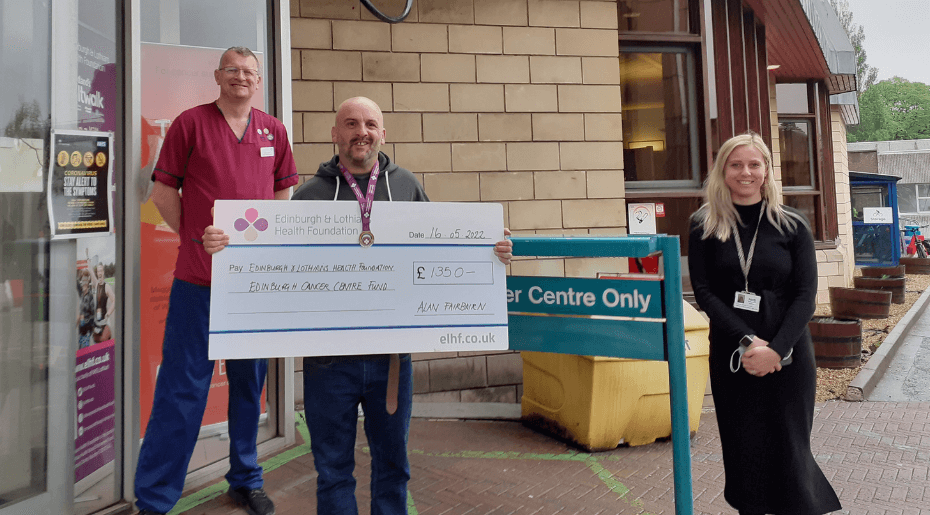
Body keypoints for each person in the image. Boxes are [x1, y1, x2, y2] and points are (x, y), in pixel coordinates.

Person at [204, 96, 512, 514]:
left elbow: (440, 251)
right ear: (335, 135)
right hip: (329, 365)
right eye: (350, 124)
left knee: (393, 466)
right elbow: (275, 264)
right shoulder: (310, 196)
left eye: (370, 124)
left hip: (390, 363)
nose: (361, 132)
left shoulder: (406, 186)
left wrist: (488, 250)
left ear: (383, 133)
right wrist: (226, 247)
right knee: (332, 471)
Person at [135, 46, 298, 515]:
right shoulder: (191, 123)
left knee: (249, 384)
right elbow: (163, 191)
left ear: (259, 80)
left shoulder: (273, 130)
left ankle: (246, 477)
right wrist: (193, 235)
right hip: (199, 279)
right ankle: (155, 497)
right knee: (182, 389)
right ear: (218, 76)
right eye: (232, 70)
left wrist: (263, 239)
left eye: (249, 72)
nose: (240, 78)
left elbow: (284, 190)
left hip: (253, 283)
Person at [688, 132, 841, 515]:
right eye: (736, 164)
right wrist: (747, 341)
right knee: (745, 448)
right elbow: (704, 292)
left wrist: (776, 349)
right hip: (732, 352)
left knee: (790, 446)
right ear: (723, 170)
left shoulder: (792, 224)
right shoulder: (703, 224)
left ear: (767, 171)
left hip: (788, 352)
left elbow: (806, 295)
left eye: (755, 164)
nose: (746, 172)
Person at [88, 260, 115, 343]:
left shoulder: (107, 287)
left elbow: (114, 300)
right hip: (97, 323)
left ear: (103, 272)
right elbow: (91, 272)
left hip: (105, 323)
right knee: (96, 343)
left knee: (103, 343)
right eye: (97, 271)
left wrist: (108, 313)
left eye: (100, 271)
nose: (99, 273)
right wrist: (89, 263)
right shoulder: (96, 285)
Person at [76, 268, 95, 349]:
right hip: (80, 328)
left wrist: (85, 319)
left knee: (84, 351)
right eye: (83, 279)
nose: (84, 281)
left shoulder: (90, 296)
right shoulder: (81, 293)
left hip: (87, 329)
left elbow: (93, 315)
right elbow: (76, 283)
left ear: (88, 281)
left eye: (86, 279)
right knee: (80, 349)